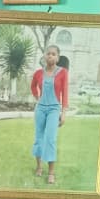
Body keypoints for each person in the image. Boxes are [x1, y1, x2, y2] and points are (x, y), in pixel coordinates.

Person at [31, 44, 68, 185]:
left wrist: (63, 113)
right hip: (40, 109)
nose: (50, 56)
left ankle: (51, 172)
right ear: (44, 56)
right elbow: (33, 86)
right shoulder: (38, 73)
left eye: (53, 54)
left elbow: (65, 93)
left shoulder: (63, 72)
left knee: (50, 139)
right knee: (38, 138)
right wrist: (37, 97)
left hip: (54, 109)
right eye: (48, 53)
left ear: (57, 57)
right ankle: (39, 167)